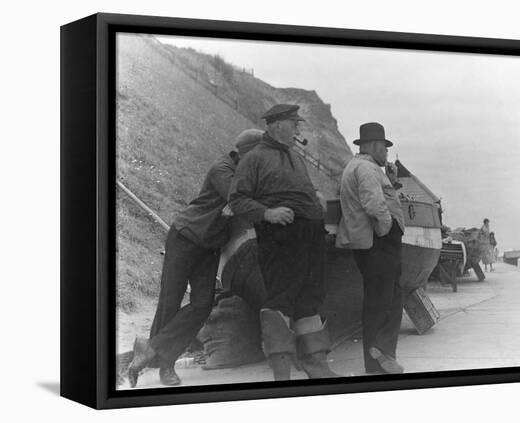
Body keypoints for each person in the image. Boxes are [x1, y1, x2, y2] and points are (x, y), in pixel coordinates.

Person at [127, 129, 263, 388]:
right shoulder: (221, 169)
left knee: (202, 304)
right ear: (248, 152)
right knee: (171, 300)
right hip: (186, 238)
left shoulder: (243, 171)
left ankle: (150, 348)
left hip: (209, 246)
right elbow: (239, 198)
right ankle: (165, 366)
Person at [228, 104, 338, 380]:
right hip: (280, 237)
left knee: (310, 297)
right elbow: (237, 199)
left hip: (310, 235)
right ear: (276, 125)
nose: (298, 128)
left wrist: (316, 197)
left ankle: (316, 363)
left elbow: (303, 188)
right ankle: (281, 372)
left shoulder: (295, 156)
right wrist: (268, 213)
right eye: (294, 123)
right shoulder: (254, 158)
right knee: (281, 299)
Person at [336, 122, 406, 375]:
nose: (387, 153)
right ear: (375, 146)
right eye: (385, 148)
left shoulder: (359, 167)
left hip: (371, 241)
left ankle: (378, 359)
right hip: (378, 241)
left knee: (384, 297)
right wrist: (386, 229)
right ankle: (379, 353)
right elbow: (374, 204)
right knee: (385, 298)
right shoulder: (366, 168)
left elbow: (379, 197)